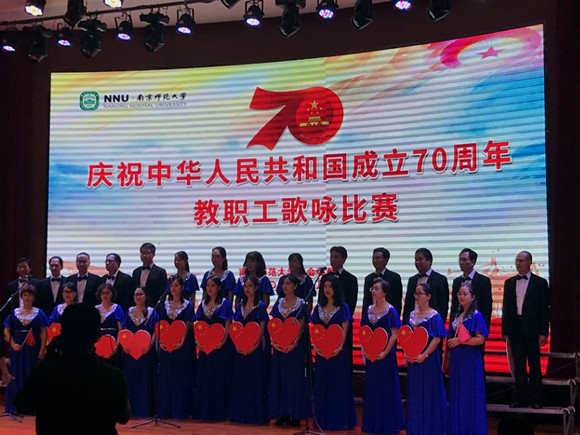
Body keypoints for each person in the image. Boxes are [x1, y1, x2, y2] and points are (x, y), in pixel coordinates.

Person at [15, 303, 130, 434]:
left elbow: (22, 405)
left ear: (63, 332)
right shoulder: (111, 374)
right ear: (97, 335)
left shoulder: (44, 371)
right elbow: (123, 416)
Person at [502, 250, 550, 409]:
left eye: (521, 260)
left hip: (533, 330)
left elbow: (544, 310)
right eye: (516, 260)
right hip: (516, 329)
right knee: (519, 365)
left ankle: (536, 399)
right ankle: (520, 398)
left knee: (535, 365)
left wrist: (543, 333)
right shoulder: (509, 283)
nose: (518, 263)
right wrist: (505, 331)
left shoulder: (540, 283)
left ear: (530, 262)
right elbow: (506, 308)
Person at [311, 275, 357, 430]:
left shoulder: (343, 307)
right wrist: (315, 346)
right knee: (322, 385)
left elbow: (345, 329)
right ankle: (322, 420)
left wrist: (340, 347)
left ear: (336, 289)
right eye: (325, 286)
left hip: (338, 353)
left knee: (338, 386)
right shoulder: (318, 307)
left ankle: (338, 420)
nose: (327, 289)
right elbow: (315, 329)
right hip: (321, 354)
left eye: (330, 286)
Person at [360, 278, 405, 434]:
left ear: (384, 292)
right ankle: (373, 423)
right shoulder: (368, 310)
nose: (373, 291)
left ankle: (388, 423)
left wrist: (385, 352)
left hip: (386, 356)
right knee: (372, 387)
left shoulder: (391, 310)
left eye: (377, 288)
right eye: (372, 288)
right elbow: (364, 331)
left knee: (386, 388)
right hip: (371, 355)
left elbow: (394, 333)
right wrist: (365, 350)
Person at [404, 282, 449, 435]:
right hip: (414, 361)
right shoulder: (411, 315)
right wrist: (406, 352)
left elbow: (437, 339)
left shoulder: (434, 316)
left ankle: (431, 429)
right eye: (415, 294)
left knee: (430, 393)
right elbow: (407, 336)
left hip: (428, 360)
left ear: (428, 296)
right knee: (415, 393)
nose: (417, 297)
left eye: (420, 294)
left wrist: (424, 355)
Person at [447, 283, 488, 435]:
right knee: (458, 394)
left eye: (465, 294)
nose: (461, 297)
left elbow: (480, 339)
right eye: (459, 294)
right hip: (457, 360)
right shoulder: (457, 315)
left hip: (469, 360)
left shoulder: (476, 315)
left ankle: (470, 429)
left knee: (468, 395)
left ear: (473, 296)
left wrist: (460, 341)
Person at [228, 275, 269, 424]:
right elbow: (235, 327)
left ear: (256, 288)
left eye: (250, 286)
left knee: (255, 380)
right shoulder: (239, 306)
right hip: (240, 349)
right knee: (240, 380)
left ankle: (255, 415)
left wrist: (255, 346)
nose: (247, 289)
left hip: (255, 350)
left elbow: (262, 329)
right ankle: (240, 414)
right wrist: (237, 345)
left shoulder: (261, 306)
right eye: (245, 286)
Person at [269, 274, 309, 427]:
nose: (285, 286)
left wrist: (294, 342)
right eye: (283, 283)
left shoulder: (301, 303)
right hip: (279, 348)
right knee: (280, 379)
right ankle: (282, 414)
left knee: (294, 381)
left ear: (295, 286)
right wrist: (274, 342)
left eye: (288, 283)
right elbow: (274, 323)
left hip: (295, 348)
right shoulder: (279, 303)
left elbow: (301, 325)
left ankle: (295, 414)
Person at [3, 284, 49, 414]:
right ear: (21, 297)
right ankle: (14, 406)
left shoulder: (39, 313)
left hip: (33, 349)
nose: (27, 297)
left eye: (30, 295)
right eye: (25, 295)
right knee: (16, 374)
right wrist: (13, 344)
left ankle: (31, 406)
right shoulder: (14, 313)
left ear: (34, 297)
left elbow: (44, 332)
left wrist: (42, 350)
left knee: (31, 375)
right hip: (17, 349)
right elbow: (6, 330)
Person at [194, 275, 233, 421]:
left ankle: (218, 411)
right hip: (205, 346)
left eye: (213, 286)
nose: (210, 289)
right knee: (205, 376)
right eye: (208, 286)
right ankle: (203, 410)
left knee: (218, 377)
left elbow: (227, 322)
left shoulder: (224, 303)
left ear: (219, 288)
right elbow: (198, 324)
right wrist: (198, 341)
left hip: (220, 346)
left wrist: (223, 340)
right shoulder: (203, 304)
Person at [157, 275, 195, 419]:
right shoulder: (164, 305)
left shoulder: (188, 305)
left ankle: (180, 410)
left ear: (182, 287)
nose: (173, 288)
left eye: (176, 285)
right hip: (166, 346)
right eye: (171, 286)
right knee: (166, 376)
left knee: (180, 377)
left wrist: (182, 341)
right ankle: (165, 410)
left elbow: (188, 324)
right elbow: (161, 325)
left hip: (182, 347)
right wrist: (161, 341)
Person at [121, 287, 159, 418]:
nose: (138, 297)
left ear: (146, 296)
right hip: (130, 353)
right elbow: (124, 330)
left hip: (146, 353)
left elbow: (155, 331)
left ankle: (145, 410)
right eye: (135, 294)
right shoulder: (129, 311)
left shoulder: (152, 312)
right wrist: (124, 346)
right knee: (131, 380)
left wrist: (150, 345)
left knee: (145, 380)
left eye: (140, 294)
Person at [319, 246, 358, 367]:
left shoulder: (351, 279)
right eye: (331, 257)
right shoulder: (325, 278)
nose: (333, 260)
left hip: (342, 324)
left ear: (344, 259)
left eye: (336, 257)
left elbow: (351, 304)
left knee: (342, 358)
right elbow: (321, 300)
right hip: (326, 323)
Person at [402, 248, 449, 324]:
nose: (417, 262)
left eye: (420, 259)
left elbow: (443, 306)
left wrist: (439, 324)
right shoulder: (412, 280)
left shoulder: (440, 279)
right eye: (416, 259)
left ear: (429, 261)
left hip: (432, 323)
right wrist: (405, 324)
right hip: (413, 322)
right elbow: (408, 305)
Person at [450, 248, 492, 330]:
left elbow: (487, 306)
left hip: (475, 325)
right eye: (460, 260)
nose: (461, 262)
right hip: (458, 323)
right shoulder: (457, 281)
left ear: (473, 262)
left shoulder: (483, 281)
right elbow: (454, 305)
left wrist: (484, 328)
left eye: (464, 260)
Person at [362, 247, 403, 317]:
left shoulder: (394, 277)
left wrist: (394, 318)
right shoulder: (368, 278)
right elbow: (366, 301)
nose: (375, 260)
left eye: (378, 258)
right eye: (373, 258)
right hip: (371, 316)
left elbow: (397, 301)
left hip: (388, 317)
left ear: (386, 260)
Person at [95, 283, 124, 366]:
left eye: (107, 293)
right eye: (103, 293)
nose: (105, 295)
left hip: (113, 341)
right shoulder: (96, 309)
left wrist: (117, 346)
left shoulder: (117, 308)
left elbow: (120, 329)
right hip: (99, 341)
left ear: (112, 294)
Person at [132, 242, 168, 308]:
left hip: (154, 308)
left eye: (147, 253)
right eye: (142, 253)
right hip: (137, 308)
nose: (144, 255)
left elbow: (162, 294)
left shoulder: (160, 272)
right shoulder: (136, 272)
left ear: (153, 254)